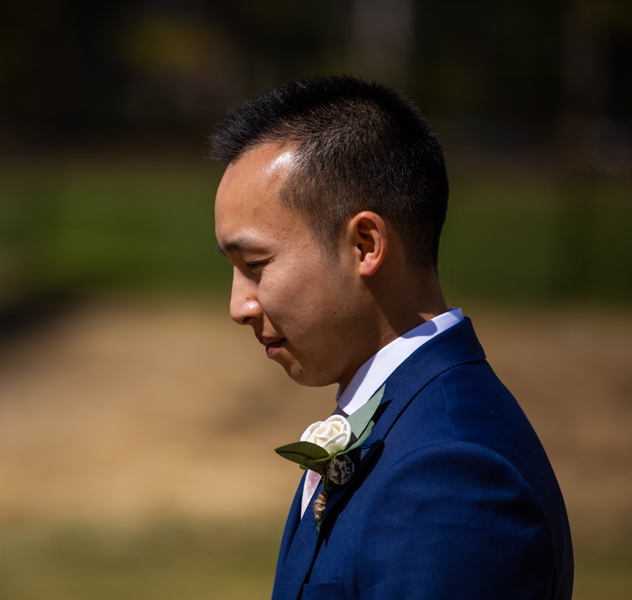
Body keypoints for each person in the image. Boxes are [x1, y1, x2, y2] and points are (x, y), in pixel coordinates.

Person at [210, 76, 573, 600]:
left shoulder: (449, 476)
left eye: (256, 265)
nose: (238, 306)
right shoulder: (402, 420)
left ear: (365, 244)